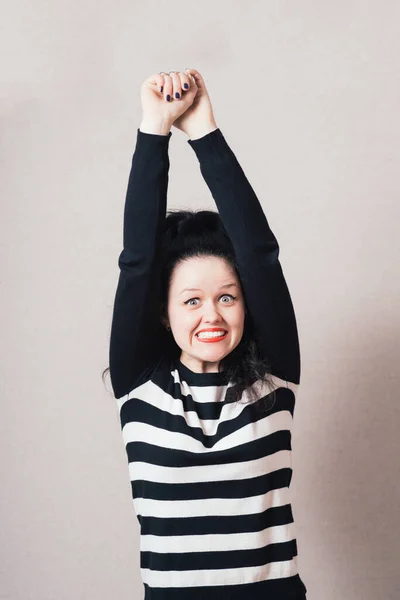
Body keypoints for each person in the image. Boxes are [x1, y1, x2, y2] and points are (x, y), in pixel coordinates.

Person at [103, 68, 308, 600]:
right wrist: (154, 130)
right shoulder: (139, 384)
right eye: (191, 301)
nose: (211, 315)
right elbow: (136, 263)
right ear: (165, 315)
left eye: (227, 296)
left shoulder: (274, 379)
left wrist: (205, 132)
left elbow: (261, 258)